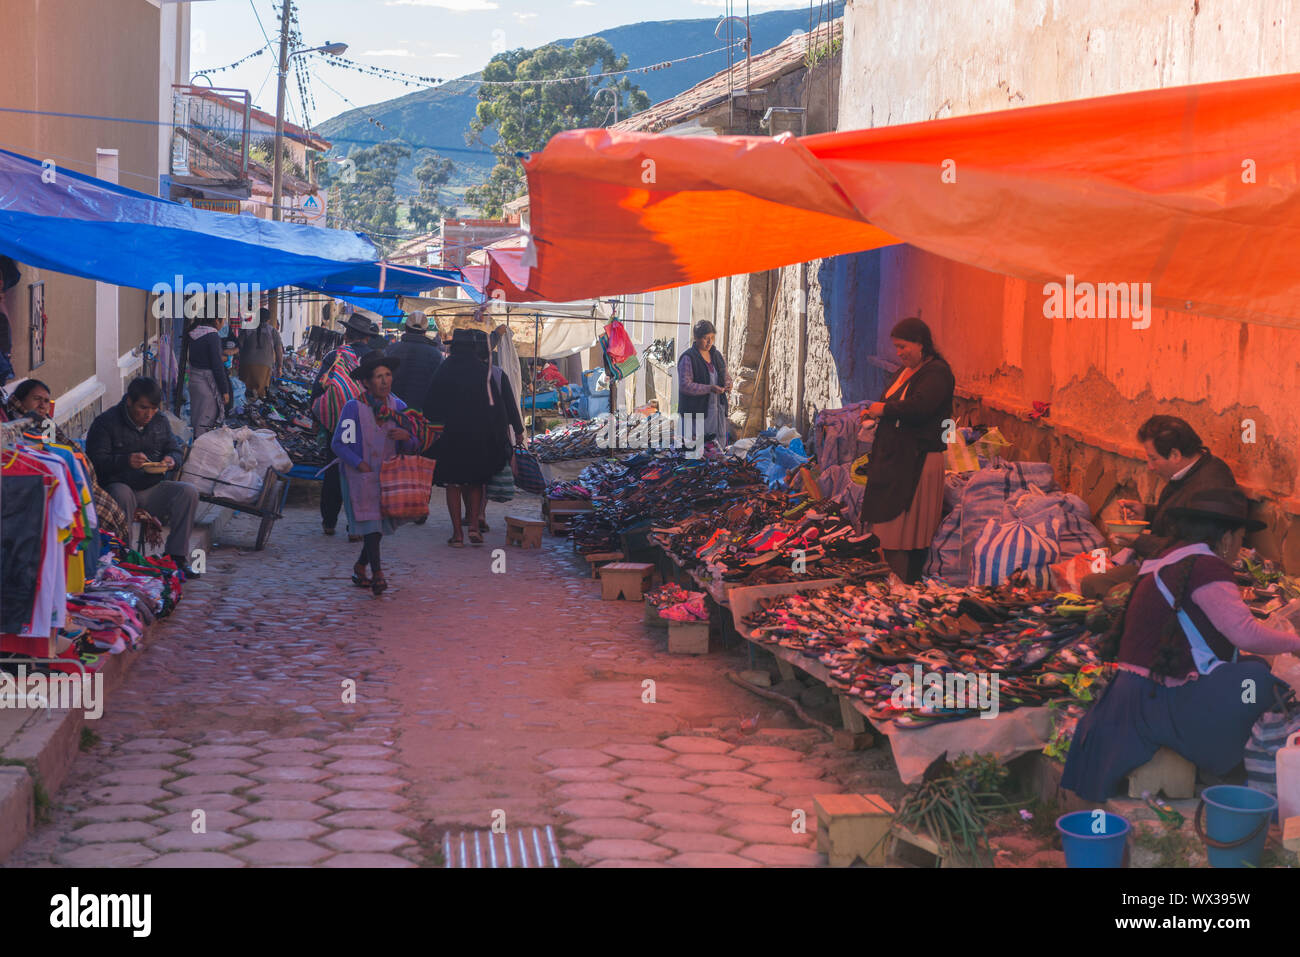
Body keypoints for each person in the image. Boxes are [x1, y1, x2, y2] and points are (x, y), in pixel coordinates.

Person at [1061, 487, 1300, 802]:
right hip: (1162, 702)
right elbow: (1244, 633)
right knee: (1256, 681)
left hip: (1134, 694)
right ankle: (1221, 759)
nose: (1240, 546)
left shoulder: (1166, 560)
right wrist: (1295, 641)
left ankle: (1220, 754)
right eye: (1241, 537)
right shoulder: (1207, 567)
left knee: (1249, 668)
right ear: (1226, 537)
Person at [1080, 415, 1238, 599]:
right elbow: (1178, 518)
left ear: (1175, 455)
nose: (1150, 467)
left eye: (1153, 459)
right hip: (1160, 564)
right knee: (1092, 583)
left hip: (1181, 576)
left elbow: (1189, 550)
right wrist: (1146, 512)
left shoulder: (1210, 486)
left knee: (1117, 596)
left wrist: (1137, 541)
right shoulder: (1186, 473)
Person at [859, 317, 956, 584]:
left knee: (903, 533)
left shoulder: (938, 373)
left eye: (903, 347)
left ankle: (903, 585)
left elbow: (920, 407)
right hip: (895, 462)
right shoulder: (904, 372)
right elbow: (889, 402)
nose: (899, 353)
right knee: (889, 531)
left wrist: (884, 411)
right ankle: (893, 584)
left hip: (917, 463)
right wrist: (873, 414)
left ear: (920, 343)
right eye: (896, 347)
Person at [86, 377, 201, 576]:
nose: (149, 414)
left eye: (154, 409)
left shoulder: (160, 421)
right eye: (143, 408)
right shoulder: (106, 423)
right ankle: (124, 556)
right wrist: (125, 461)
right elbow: (95, 462)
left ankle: (177, 557)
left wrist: (171, 460)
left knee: (188, 492)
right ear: (129, 401)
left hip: (153, 488)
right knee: (121, 493)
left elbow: (175, 449)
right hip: (119, 487)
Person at [330, 352, 422, 596]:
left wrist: (407, 437)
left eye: (388, 375)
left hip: (388, 477)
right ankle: (378, 574)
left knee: (376, 527)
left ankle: (361, 566)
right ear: (367, 382)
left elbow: (414, 444)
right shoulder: (353, 408)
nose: (384, 381)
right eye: (378, 377)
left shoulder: (399, 407)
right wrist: (359, 463)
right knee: (372, 524)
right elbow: (339, 444)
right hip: (359, 477)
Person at [2, 379, 132, 541]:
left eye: (46, 401)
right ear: (21, 401)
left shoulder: (46, 424)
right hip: (57, 490)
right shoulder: (16, 427)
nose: (43, 405)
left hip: (80, 482)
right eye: (37, 399)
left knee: (113, 512)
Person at [425, 328, 512, 547]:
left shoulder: (444, 369)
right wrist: (500, 436)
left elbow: (430, 404)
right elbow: (498, 409)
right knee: (475, 482)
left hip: (452, 436)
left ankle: (457, 534)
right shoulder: (484, 371)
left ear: (453, 347)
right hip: (480, 437)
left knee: (453, 484)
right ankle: (473, 525)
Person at [311, 313, 377, 538]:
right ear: (367, 338)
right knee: (360, 473)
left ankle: (329, 522)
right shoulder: (376, 357)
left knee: (334, 469)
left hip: (338, 422)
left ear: (347, 335)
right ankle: (356, 526)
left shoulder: (335, 355)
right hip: (366, 424)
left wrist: (317, 417)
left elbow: (318, 388)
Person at [467, 334, 525, 535]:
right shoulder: (499, 374)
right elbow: (510, 405)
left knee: (475, 475)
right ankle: (480, 513)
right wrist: (519, 431)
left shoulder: (469, 373)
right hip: (496, 433)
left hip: (472, 432)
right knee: (488, 474)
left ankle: (473, 514)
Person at [677, 320, 733, 444]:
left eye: (712, 338)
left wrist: (728, 383)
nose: (709, 342)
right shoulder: (688, 358)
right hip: (695, 414)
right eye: (705, 338)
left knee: (715, 449)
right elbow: (685, 386)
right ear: (696, 338)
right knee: (695, 450)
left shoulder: (716, 355)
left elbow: (725, 374)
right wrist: (710, 388)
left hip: (716, 412)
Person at [385, 310, 443, 414]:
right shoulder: (436, 355)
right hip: (421, 415)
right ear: (425, 331)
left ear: (406, 329)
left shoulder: (390, 350)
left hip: (392, 412)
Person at [187, 314, 232, 438]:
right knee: (206, 420)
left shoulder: (194, 333)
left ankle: (196, 447)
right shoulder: (212, 336)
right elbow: (217, 366)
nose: (224, 324)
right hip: (206, 384)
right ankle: (202, 451)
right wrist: (224, 390)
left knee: (197, 417)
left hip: (194, 381)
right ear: (216, 321)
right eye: (223, 320)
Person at [239, 308, 284, 399]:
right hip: (265, 366)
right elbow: (279, 351)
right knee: (261, 395)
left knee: (244, 393)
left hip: (246, 364)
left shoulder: (247, 329)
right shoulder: (272, 331)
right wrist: (279, 367)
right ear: (268, 320)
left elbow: (238, 346)